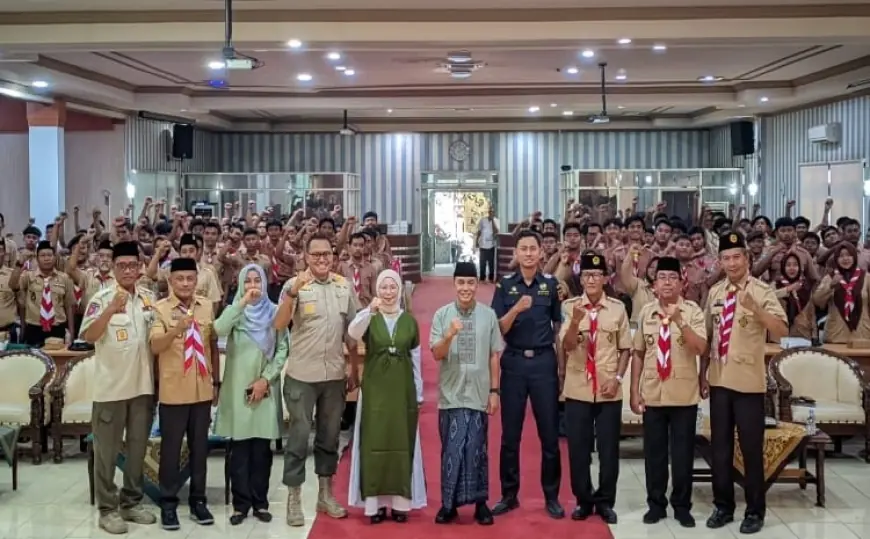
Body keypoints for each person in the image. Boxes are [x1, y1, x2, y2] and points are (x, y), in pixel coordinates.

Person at [702, 232, 788, 534]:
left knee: (751, 449)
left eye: (737, 257)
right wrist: (703, 374)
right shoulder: (715, 292)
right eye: (726, 258)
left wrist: (756, 309)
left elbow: (780, 332)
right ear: (720, 261)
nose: (732, 263)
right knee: (721, 449)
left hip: (749, 384)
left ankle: (755, 510)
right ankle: (723, 506)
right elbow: (709, 337)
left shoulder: (762, 291)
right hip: (719, 380)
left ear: (747, 259)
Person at [274, 232, 360, 527]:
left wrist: (355, 369)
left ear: (334, 256)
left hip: (334, 376)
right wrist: (293, 294)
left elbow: (352, 330)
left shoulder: (342, 286)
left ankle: (325, 494)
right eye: (316, 255)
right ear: (306, 257)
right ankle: (294, 498)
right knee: (298, 438)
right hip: (301, 376)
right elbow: (279, 324)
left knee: (329, 438)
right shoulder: (294, 285)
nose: (322, 259)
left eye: (327, 254)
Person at [79, 241, 156, 535]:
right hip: (110, 390)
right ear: (113, 268)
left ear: (139, 268)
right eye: (121, 265)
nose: (127, 270)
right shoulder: (101, 298)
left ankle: (131, 502)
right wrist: (111, 310)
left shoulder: (148, 298)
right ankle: (108, 509)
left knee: (137, 451)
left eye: (132, 265)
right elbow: (89, 336)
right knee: (107, 453)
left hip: (142, 389)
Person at [490, 230, 563, 519]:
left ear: (541, 253)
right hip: (514, 363)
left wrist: (559, 366)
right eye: (524, 249)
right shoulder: (505, 286)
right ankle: (509, 494)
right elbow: (499, 328)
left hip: (544, 363)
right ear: (516, 254)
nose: (530, 253)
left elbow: (558, 325)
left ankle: (552, 496)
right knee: (510, 435)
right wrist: (516, 309)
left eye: (534, 249)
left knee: (549, 435)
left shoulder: (551, 284)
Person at [630, 257, 707, 528]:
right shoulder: (646, 312)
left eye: (672, 278)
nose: (667, 282)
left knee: (683, 453)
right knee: (654, 453)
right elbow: (638, 352)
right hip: (653, 391)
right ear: (654, 284)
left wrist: (679, 322)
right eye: (662, 277)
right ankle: (656, 504)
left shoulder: (693, 311)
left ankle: (682, 506)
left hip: (683, 393)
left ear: (681, 282)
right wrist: (633, 390)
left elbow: (701, 349)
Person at [347, 269, 426, 523]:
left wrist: (419, 391)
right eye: (384, 287)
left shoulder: (409, 321)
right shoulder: (369, 317)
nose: (389, 293)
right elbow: (353, 333)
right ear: (377, 290)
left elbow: (416, 359)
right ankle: (375, 505)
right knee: (374, 441)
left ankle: (400, 504)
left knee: (401, 441)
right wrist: (369, 311)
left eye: (393, 288)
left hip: (402, 390)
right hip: (375, 392)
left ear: (400, 291)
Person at [214, 264, 290, 526]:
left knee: (261, 452)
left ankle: (260, 503)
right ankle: (240, 505)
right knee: (240, 450)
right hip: (238, 391)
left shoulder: (274, 313)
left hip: (264, 390)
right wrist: (242, 302)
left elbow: (282, 351)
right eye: (248, 281)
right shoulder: (235, 313)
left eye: (258, 280)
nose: (253, 286)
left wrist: (265, 380)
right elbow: (219, 329)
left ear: (266, 283)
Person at [149, 257, 221, 530]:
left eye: (190, 278)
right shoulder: (161, 310)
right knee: (170, 450)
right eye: (180, 279)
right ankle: (168, 503)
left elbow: (211, 345)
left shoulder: (205, 308)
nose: (186, 284)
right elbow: (155, 345)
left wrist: (216, 383)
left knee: (200, 449)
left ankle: (198, 501)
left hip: (201, 388)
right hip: (173, 391)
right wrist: (177, 329)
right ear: (170, 281)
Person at [559, 253, 631, 524]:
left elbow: (625, 349)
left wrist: (619, 378)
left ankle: (605, 501)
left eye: (596, 275)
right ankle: (583, 500)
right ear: (581, 278)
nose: (591, 280)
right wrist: (576, 321)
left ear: (605, 279)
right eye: (587, 275)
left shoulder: (617, 308)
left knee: (609, 449)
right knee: (578, 448)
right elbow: (566, 346)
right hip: (578, 387)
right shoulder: (570, 307)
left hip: (608, 388)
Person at [430, 261, 502, 525]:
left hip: (480, 394)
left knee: (477, 449)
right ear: (454, 284)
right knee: (451, 451)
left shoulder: (488, 315)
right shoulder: (441, 315)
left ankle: (481, 503)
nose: (466, 288)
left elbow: (494, 356)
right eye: (461, 282)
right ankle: (448, 505)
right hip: (451, 396)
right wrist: (449, 335)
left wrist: (494, 391)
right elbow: (437, 354)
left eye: (470, 282)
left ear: (476, 285)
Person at [11, 240, 76, 347]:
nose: (46, 258)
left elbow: (69, 306)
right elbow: (13, 285)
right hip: (34, 329)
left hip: (57, 328)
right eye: (43, 255)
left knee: (58, 361)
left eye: (50, 255)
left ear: (55, 257)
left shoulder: (65, 278)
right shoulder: (28, 276)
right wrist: (19, 265)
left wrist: (72, 333)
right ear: (37, 258)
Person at [475, 207, 499, 283]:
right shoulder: (483, 220)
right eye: (490, 212)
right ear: (488, 212)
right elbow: (479, 231)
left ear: (494, 213)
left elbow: (496, 231)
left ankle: (491, 278)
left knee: (491, 263)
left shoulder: (496, 221)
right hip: (483, 244)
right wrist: (476, 241)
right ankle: (482, 278)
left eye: (493, 212)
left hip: (491, 245)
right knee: (482, 262)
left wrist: (492, 221)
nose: (491, 213)